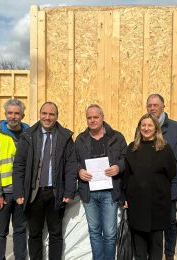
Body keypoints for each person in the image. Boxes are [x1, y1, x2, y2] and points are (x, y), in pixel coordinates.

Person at [12, 101, 77, 260]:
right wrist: (19, 192)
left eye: (51, 114)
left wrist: (69, 190)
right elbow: (19, 165)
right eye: (44, 113)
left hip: (56, 192)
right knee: (34, 233)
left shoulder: (65, 137)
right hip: (34, 193)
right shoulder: (28, 136)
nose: (47, 117)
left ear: (57, 116)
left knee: (56, 233)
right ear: (40, 115)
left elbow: (71, 165)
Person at [75, 104, 127, 260]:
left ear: (102, 117)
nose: (92, 120)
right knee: (94, 231)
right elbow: (73, 161)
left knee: (110, 233)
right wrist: (79, 171)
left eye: (95, 117)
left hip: (110, 192)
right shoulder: (80, 139)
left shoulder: (117, 137)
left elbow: (126, 158)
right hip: (88, 193)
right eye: (89, 118)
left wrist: (118, 167)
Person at [123, 113, 177, 260]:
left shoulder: (164, 149)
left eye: (150, 125)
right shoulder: (132, 148)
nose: (146, 128)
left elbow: (172, 172)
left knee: (156, 249)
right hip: (137, 204)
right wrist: (124, 197)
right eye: (143, 125)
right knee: (139, 251)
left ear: (156, 128)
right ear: (139, 128)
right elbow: (126, 175)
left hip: (158, 205)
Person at [146, 93, 177, 260]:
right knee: (151, 220)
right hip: (149, 186)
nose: (152, 108)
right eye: (149, 105)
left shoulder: (175, 128)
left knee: (170, 221)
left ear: (163, 107)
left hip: (169, 184)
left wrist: (173, 169)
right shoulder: (144, 126)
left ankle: (169, 254)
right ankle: (153, 253)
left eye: (155, 105)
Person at [0, 99, 29, 260]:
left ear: (22, 115)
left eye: (17, 113)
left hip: (21, 192)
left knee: (20, 229)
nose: (13, 116)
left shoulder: (29, 132)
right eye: (10, 113)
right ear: (5, 114)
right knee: (1, 231)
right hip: (3, 193)